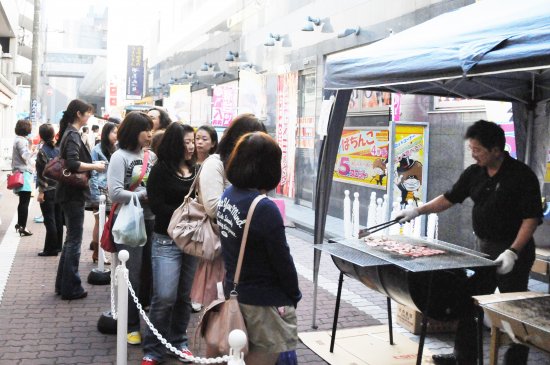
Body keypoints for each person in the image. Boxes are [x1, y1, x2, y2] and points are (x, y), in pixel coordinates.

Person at [397, 120, 543, 365]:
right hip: (484, 250)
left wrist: (513, 251)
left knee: (514, 310)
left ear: (496, 150)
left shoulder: (521, 175)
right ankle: (463, 357)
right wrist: (418, 211)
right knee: (469, 301)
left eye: (477, 150)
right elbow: (450, 198)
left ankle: (515, 362)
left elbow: (531, 218)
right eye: (471, 149)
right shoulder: (475, 172)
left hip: (513, 250)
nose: (473, 154)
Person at [216, 131, 301, 365]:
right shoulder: (263, 207)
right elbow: (282, 259)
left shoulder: (228, 195)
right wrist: (293, 294)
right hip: (262, 301)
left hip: (235, 290)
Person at [190, 113, 267, 309]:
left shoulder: (248, 166)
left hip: (247, 247)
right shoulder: (215, 164)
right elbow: (213, 208)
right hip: (222, 247)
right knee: (222, 310)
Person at [141, 122, 197, 365]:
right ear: (176, 143)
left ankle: (179, 341)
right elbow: (156, 205)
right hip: (166, 240)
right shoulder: (161, 170)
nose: (192, 146)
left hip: (193, 240)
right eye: (187, 142)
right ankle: (153, 348)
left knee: (184, 296)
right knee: (164, 296)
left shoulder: (197, 170)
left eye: (193, 141)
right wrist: (186, 212)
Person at [107, 111, 156, 346]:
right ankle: (131, 325)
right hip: (127, 222)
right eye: (146, 129)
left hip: (151, 220)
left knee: (149, 274)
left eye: (151, 129)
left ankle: (147, 322)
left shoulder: (152, 156)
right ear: (134, 131)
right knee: (131, 275)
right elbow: (114, 193)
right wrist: (142, 195)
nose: (150, 134)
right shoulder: (120, 157)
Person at [55, 99, 106, 300]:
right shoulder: (74, 134)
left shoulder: (68, 132)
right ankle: (71, 287)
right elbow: (74, 163)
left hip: (67, 193)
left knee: (70, 241)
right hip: (73, 193)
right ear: (78, 114)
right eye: (87, 113)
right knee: (74, 241)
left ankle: (64, 285)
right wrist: (95, 166)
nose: (89, 117)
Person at [190, 124, 219, 312]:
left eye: (204, 139)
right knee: (192, 254)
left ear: (213, 143)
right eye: (197, 138)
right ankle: (193, 294)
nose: (199, 142)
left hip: (207, 217)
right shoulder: (187, 162)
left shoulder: (215, 164)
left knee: (205, 255)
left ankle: (200, 295)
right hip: (192, 215)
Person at [88, 122, 118, 264]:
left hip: (113, 189)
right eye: (114, 132)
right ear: (106, 133)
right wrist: (94, 194)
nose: (116, 135)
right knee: (100, 222)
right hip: (100, 189)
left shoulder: (117, 149)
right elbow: (93, 173)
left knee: (110, 222)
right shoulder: (97, 149)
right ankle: (98, 253)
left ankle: (103, 252)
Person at [35, 123, 63, 256]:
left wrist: (41, 192)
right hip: (59, 188)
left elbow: (41, 174)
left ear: (41, 135)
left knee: (49, 219)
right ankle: (58, 246)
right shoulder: (58, 149)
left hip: (48, 189)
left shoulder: (42, 151)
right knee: (58, 218)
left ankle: (50, 249)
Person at [11, 119, 35, 236]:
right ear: (27, 129)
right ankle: (22, 227)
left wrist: (30, 145)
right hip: (23, 174)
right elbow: (25, 156)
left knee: (22, 201)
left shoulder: (19, 140)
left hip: (20, 172)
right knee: (25, 201)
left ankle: (20, 224)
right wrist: (32, 149)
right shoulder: (21, 141)